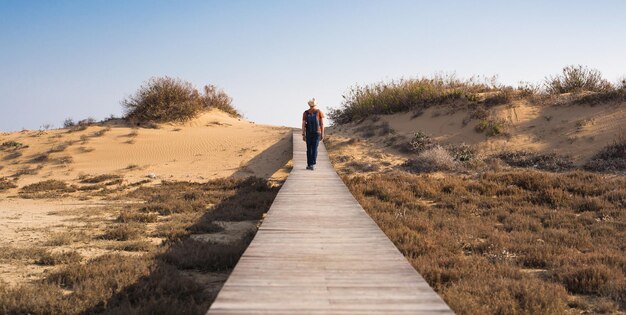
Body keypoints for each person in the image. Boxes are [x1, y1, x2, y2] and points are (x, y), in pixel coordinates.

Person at [302, 98, 324, 170]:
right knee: (315, 148)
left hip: (309, 132)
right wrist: (322, 133)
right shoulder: (319, 112)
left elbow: (303, 124)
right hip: (317, 132)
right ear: (315, 104)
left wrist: (303, 134)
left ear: (309, 105)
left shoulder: (305, 113)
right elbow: (322, 124)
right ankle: (312, 163)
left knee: (309, 149)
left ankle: (309, 164)